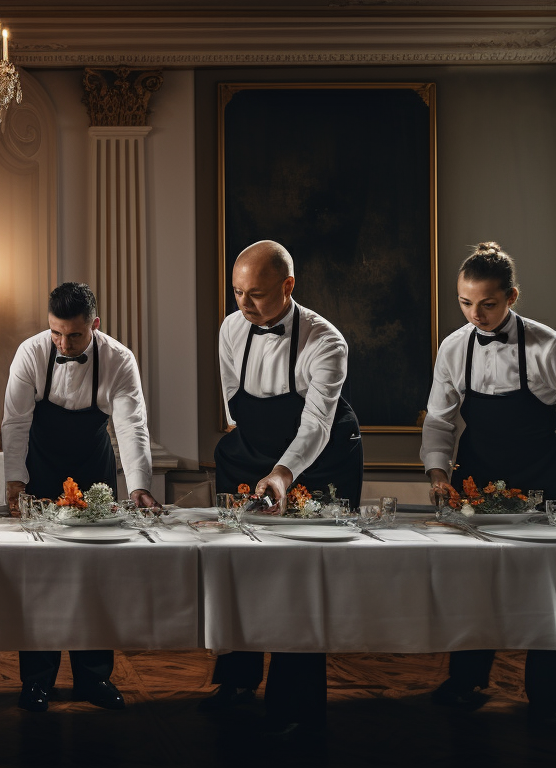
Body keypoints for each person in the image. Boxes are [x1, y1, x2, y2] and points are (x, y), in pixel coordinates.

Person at [421, 242, 556, 729]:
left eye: (487, 303)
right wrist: (439, 473)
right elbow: (440, 421)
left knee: (549, 586)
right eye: (466, 303)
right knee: (473, 583)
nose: (476, 314)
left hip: (541, 479)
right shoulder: (454, 347)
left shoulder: (550, 346)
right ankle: (466, 681)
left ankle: (549, 696)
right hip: (476, 477)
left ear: (511, 297)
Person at [203, 240, 363, 739]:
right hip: (253, 451)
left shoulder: (325, 341)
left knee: (301, 578)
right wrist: (252, 451)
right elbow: (232, 396)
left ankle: (297, 702)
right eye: (237, 293)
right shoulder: (232, 327)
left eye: (256, 294)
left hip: (320, 457)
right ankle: (237, 677)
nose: (244, 306)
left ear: (288, 286)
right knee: (240, 567)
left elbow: (316, 424)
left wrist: (283, 473)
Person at [1, 282, 155, 713]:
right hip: (41, 468)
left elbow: (131, 427)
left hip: (94, 472)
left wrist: (139, 486)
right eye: (56, 333)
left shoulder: (120, 359)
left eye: (74, 335)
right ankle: (36, 681)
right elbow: (14, 423)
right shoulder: (31, 353)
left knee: (95, 578)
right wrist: (16, 481)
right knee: (38, 580)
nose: (64, 344)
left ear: (95, 326)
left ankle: (93, 678)